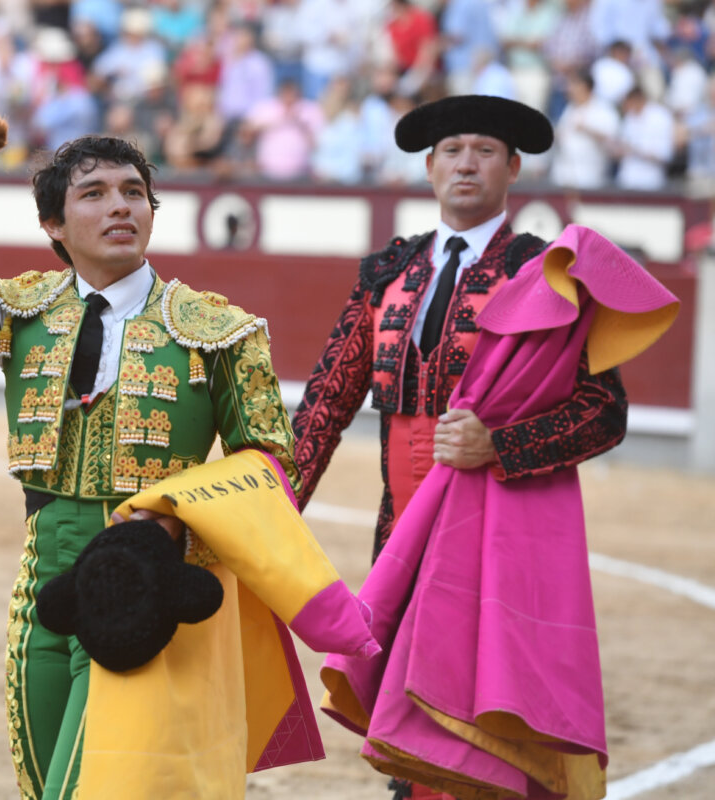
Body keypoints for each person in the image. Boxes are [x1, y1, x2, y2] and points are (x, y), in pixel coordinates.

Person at [0, 130, 300, 799]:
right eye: (93, 194)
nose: (120, 206)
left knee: (88, 788)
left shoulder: (219, 331)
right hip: (42, 576)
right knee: (45, 787)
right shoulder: (19, 310)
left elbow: (270, 466)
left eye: (134, 192)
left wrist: (175, 531)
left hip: (145, 578)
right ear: (54, 224)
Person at [291, 95, 629, 799]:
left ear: (513, 167)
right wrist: (272, 507)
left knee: (485, 701)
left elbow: (604, 409)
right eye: (451, 150)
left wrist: (501, 444)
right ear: (428, 167)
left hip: (492, 529)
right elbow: (325, 402)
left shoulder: (547, 273)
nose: (465, 163)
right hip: (402, 526)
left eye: (482, 150)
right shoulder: (388, 273)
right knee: (404, 709)